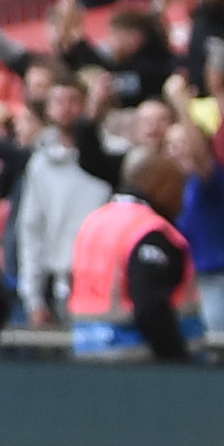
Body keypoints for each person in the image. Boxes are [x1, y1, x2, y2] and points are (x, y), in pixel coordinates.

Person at [63, 151, 194, 360]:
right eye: (178, 188)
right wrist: (178, 360)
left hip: (88, 354)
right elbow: (150, 308)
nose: (181, 199)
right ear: (158, 184)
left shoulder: (95, 222)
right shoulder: (149, 231)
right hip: (139, 364)